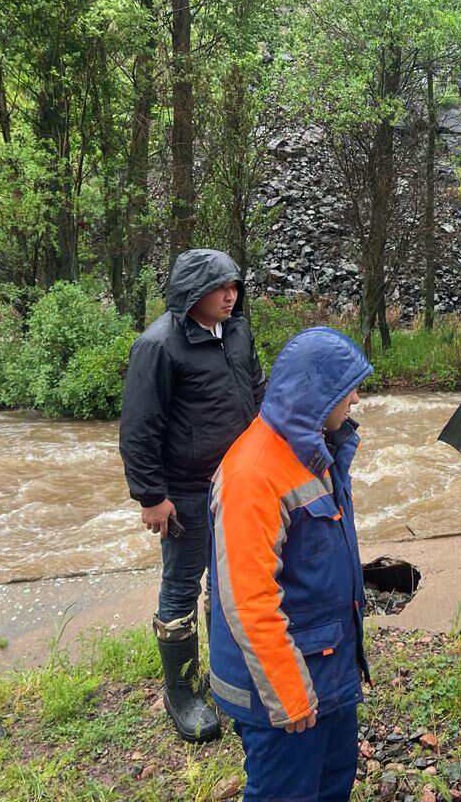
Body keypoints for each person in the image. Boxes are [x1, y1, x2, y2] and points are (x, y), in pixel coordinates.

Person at [208, 327, 372, 802]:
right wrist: (288, 693)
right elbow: (247, 598)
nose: (357, 398)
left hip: (328, 670)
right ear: (318, 395)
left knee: (332, 783)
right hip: (284, 689)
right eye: (349, 389)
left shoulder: (314, 449)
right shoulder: (252, 475)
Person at [120, 248, 266, 742]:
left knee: (228, 584)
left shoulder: (239, 331)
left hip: (239, 483)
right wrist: (150, 496)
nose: (231, 296)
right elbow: (139, 428)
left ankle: (224, 674)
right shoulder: (158, 345)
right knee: (182, 586)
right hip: (184, 491)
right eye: (220, 288)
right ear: (191, 294)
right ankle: (182, 692)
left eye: (235, 286)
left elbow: (258, 392)